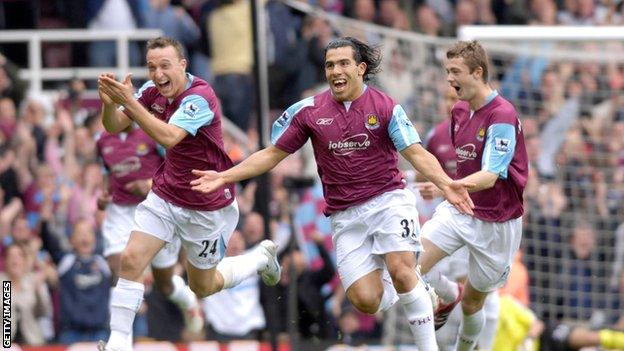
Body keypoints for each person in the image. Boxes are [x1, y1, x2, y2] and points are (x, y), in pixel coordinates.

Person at [191, 36, 475, 350]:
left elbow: (416, 153)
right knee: (366, 300)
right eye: (329, 65)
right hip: (345, 215)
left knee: (399, 269)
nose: (335, 71)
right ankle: (426, 285)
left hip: (388, 201)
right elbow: (271, 154)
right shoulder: (310, 111)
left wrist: (448, 185)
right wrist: (225, 176)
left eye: (343, 64)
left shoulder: (385, 106)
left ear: (361, 68)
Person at [96, 36, 281, 351]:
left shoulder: (200, 96)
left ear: (183, 65)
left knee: (203, 286)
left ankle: (259, 259)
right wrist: (109, 103)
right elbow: (114, 127)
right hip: (166, 194)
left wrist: (129, 101)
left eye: (165, 65)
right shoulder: (151, 93)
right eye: (151, 67)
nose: (157, 73)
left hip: (205, 203)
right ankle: (118, 342)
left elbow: (169, 137)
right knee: (131, 259)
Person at [417, 40, 529, 351]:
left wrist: (449, 185)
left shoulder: (502, 115)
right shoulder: (458, 112)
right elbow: (465, 168)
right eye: (446, 71)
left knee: (474, 303)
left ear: (477, 72)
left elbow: (491, 174)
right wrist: (445, 184)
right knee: (411, 262)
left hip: (498, 224)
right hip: (461, 211)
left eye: (455, 72)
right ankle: (445, 294)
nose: (449, 79)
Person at [96, 123, 205, 335]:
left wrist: (148, 184)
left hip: (157, 208)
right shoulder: (102, 140)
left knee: (165, 285)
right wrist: (103, 196)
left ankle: (188, 301)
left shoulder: (153, 134)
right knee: (120, 272)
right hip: (120, 212)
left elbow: (179, 168)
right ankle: (120, 342)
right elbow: (106, 173)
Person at [493, 294, 624, 351]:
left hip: (544, 337)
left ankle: (619, 340)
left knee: (587, 338)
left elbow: (537, 324)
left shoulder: (504, 304)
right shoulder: (478, 340)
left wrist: (528, 341)